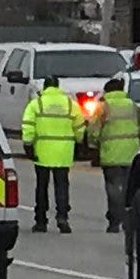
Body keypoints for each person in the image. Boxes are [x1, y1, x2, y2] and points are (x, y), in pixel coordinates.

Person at [21, 75, 86, 234]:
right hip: (64, 152)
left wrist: (28, 146)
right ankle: (62, 218)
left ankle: (41, 221)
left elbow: (28, 125)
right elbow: (79, 127)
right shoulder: (71, 105)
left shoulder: (37, 104)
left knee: (41, 187)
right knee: (62, 186)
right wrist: (78, 142)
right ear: (58, 87)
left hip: (42, 151)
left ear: (45, 87)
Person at [87, 77, 140, 233]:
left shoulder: (103, 107)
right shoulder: (134, 107)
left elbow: (93, 130)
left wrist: (93, 145)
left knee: (113, 188)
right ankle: (128, 220)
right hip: (131, 154)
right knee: (129, 189)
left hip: (111, 154)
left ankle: (115, 221)